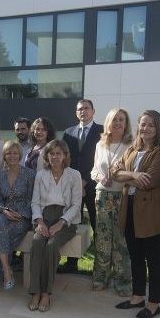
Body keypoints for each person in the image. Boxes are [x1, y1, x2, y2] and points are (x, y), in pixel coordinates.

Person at [114, 110, 160, 318]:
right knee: (136, 257)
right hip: (129, 208)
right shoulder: (132, 149)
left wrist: (126, 177)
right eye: (143, 124)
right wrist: (134, 175)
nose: (145, 128)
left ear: (158, 128)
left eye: (151, 125)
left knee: (153, 259)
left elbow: (151, 180)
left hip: (152, 212)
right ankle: (137, 296)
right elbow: (114, 172)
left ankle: (154, 303)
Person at [28, 140, 82, 312]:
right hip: (45, 218)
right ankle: (35, 291)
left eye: (59, 153)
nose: (55, 156)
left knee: (51, 246)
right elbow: (35, 202)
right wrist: (39, 221)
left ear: (65, 156)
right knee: (37, 243)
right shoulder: (40, 175)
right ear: (47, 156)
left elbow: (76, 205)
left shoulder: (74, 175)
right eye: (52, 153)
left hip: (66, 220)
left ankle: (46, 293)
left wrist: (61, 223)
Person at [0, 141, 35, 297]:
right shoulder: (0, 176)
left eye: (15, 153)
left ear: (20, 155)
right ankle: (6, 270)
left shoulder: (30, 174)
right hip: (3, 214)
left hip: (22, 218)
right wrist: (4, 211)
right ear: (4, 156)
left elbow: (33, 200)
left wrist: (22, 214)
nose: (12, 156)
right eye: (8, 153)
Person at [89, 108, 132, 295]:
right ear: (108, 123)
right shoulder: (101, 144)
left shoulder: (131, 145)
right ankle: (101, 277)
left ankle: (122, 282)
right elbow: (93, 170)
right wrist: (99, 177)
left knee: (121, 240)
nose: (117, 123)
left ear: (126, 123)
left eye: (121, 120)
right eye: (114, 120)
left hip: (122, 196)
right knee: (103, 240)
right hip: (102, 196)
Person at [61, 99, 102, 273]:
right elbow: (64, 158)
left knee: (97, 224)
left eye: (86, 108)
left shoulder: (102, 131)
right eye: (79, 109)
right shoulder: (68, 132)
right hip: (72, 188)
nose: (83, 112)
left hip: (93, 186)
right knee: (72, 223)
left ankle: (100, 266)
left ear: (93, 111)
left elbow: (101, 160)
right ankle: (71, 262)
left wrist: (85, 180)